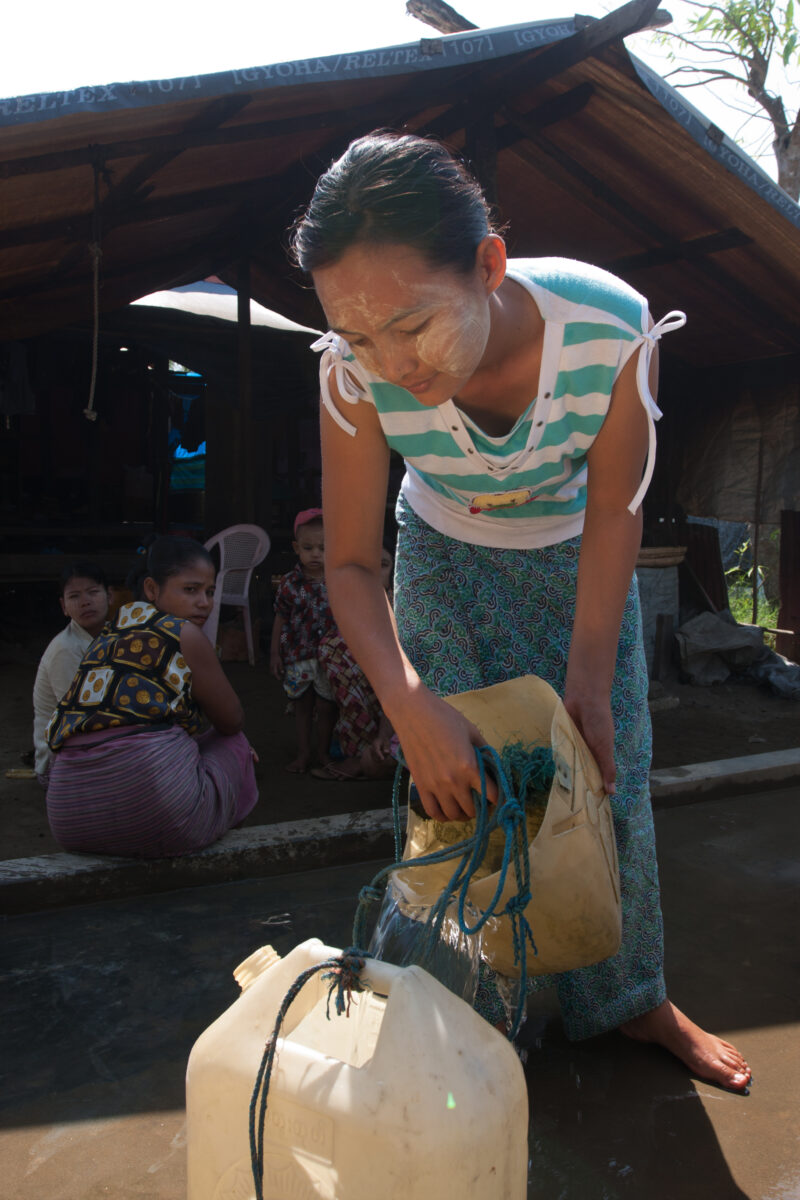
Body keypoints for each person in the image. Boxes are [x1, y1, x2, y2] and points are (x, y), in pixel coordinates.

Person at [290, 130, 750, 1091]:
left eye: (409, 325)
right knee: (461, 794)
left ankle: (630, 1002)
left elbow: (617, 511)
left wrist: (589, 678)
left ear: (489, 265)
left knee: (606, 781)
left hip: (573, 560)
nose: (387, 360)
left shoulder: (609, 330)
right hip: (444, 562)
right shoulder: (353, 372)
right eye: (358, 334)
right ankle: (462, 1012)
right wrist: (409, 705)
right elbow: (348, 562)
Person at [45, 536, 258, 858]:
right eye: (190, 589)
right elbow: (231, 720)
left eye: (210, 591)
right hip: (157, 817)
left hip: (68, 820)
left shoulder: (111, 631)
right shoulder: (182, 632)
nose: (204, 602)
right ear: (152, 589)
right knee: (238, 743)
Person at [314, 545, 396, 781]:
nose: (374, 573)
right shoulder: (341, 604)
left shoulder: (406, 608)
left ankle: (373, 752)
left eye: (383, 565)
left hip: (404, 710)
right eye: (367, 566)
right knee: (334, 648)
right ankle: (353, 751)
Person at [270, 508, 338, 773]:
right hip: (297, 655)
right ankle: (303, 753)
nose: (316, 554)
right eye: (308, 548)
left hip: (328, 657)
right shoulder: (289, 583)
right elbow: (280, 618)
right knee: (302, 704)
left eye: (323, 547)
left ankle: (322, 753)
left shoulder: (338, 580)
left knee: (326, 705)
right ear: (296, 548)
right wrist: (275, 654)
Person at [32, 561, 111, 784]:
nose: (85, 601)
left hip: (97, 739)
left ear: (110, 596)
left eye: (93, 592)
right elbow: (79, 719)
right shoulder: (65, 649)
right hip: (60, 761)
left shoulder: (114, 637)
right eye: (74, 596)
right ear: (64, 606)